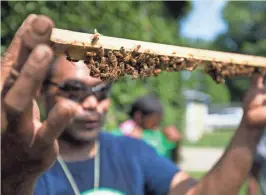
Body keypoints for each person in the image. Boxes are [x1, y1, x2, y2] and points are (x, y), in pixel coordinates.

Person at [1, 14, 266, 195]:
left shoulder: (133, 153)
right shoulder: (21, 161)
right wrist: (15, 176)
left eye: (102, 91)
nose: (93, 102)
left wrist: (251, 128)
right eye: (74, 90)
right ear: (41, 91)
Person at [116, 95, 181, 160]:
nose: (158, 123)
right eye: (155, 119)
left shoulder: (159, 135)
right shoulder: (120, 135)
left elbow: (172, 163)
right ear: (138, 116)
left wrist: (176, 143)